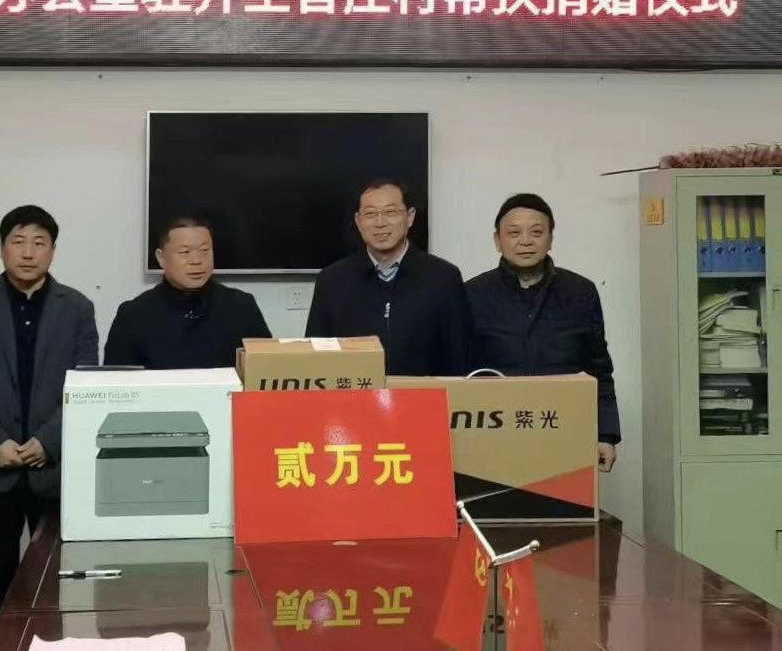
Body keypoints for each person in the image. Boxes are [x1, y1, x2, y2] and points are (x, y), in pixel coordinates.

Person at [0, 205, 98, 629]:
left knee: (59, 575)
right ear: (2, 248)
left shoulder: (77, 308)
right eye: (18, 241)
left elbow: (85, 385)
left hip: (55, 467)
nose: (28, 252)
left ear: (52, 251)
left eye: (39, 243)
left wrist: (49, 441)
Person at [465, 193, 620, 471]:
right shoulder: (472, 294)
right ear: (497, 240)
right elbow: (459, 373)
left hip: (566, 429)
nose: (525, 241)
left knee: (566, 499)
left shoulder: (579, 292)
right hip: (495, 433)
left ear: (550, 239)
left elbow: (598, 369)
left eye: (536, 232)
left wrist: (605, 435)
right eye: (514, 233)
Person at [305, 179, 470, 376]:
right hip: (356, 393)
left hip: (424, 393)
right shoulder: (332, 281)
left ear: (410, 217)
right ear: (358, 221)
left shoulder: (443, 278)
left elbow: (460, 357)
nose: (380, 223)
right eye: (370, 214)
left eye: (390, 212)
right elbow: (316, 358)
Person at [103, 215, 271, 368]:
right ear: (161, 258)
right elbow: (116, 383)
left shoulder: (242, 307)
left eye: (205, 250)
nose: (197, 260)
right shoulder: (133, 315)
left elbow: (267, 370)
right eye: (185, 252)